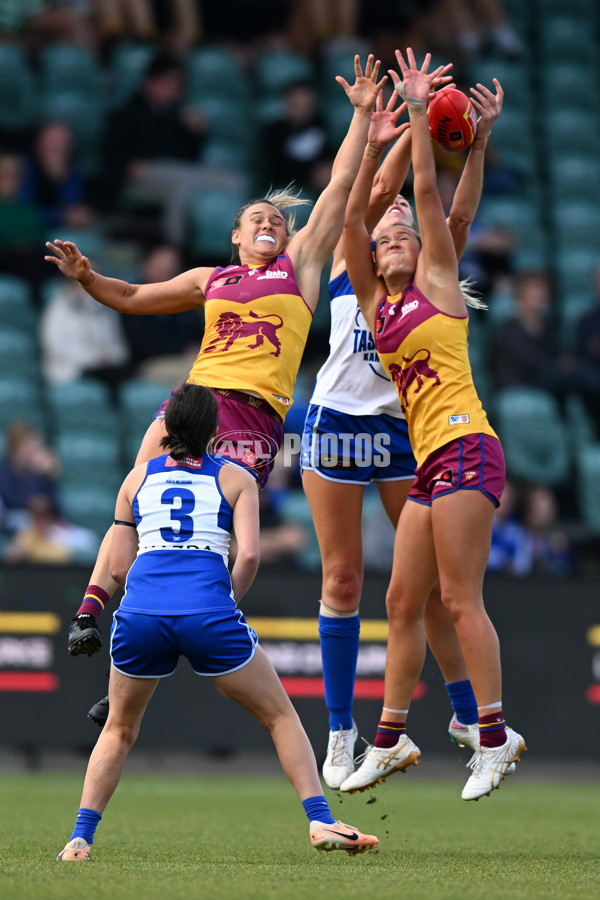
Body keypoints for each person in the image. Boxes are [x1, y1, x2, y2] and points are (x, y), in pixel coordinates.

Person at [44, 56, 387, 684]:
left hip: (255, 413)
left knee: (217, 533)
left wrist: (362, 115)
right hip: (195, 399)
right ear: (234, 235)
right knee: (136, 497)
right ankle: (92, 612)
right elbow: (129, 297)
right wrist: (88, 276)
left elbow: (340, 188)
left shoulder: (301, 268)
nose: (268, 222)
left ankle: (189, 634)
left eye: (277, 220)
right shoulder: (210, 279)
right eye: (256, 217)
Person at [55, 383, 378, 861]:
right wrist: (226, 600)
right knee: (279, 715)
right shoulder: (235, 477)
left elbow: (119, 567)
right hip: (210, 613)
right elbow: (247, 554)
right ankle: (321, 821)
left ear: (165, 428)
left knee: (119, 730)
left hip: (142, 614)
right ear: (214, 429)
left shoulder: (135, 479)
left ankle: (79, 840)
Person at [300, 74, 504, 788]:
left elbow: (436, 207)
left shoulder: (434, 278)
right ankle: (356, 733)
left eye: (404, 238)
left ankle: (474, 721)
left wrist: (455, 138)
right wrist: (375, 133)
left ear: (422, 251)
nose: (394, 237)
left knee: (439, 593)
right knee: (367, 585)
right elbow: (360, 208)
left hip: (427, 439)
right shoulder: (354, 279)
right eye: (385, 235)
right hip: (353, 431)